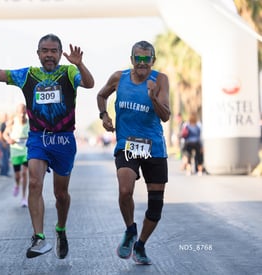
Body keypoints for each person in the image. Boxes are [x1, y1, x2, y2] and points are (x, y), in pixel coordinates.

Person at [0, 34, 94, 259]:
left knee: (61, 194)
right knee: (35, 182)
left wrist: (79, 64)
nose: (49, 55)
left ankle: (61, 229)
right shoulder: (27, 74)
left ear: (59, 53)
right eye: (44, 51)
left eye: (53, 51)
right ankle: (38, 237)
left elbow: (89, 83)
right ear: (38, 53)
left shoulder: (69, 72)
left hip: (64, 140)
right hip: (38, 137)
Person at [96, 40, 170, 265]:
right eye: (137, 59)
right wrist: (104, 116)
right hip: (127, 145)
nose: (141, 63)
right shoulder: (119, 78)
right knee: (125, 189)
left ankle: (140, 245)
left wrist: (153, 98)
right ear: (131, 60)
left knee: (155, 206)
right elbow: (101, 95)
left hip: (154, 148)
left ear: (152, 61)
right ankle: (130, 230)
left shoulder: (160, 80)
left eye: (146, 59)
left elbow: (165, 115)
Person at [3, 103, 30, 208]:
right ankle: (17, 184)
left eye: (23, 111)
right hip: (15, 150)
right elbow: (5, 134)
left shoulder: (29, 122)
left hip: (26, 150)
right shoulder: (12, 121)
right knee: (18, 175)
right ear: (17, 112)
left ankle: (24, 198)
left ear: (26, 111)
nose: (22, 114)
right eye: (19, 112)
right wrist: (8, 139)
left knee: (24, 173)